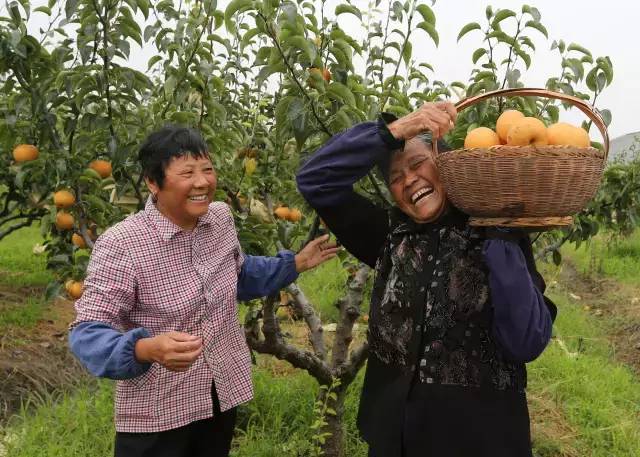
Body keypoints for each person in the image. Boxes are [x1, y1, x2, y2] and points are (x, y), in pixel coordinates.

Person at [296, 103, 557, 457]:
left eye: (417, 164)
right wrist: (395, 130)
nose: (408, 180)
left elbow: (526, 342)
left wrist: (500, 237)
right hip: (395, 439)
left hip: (480, 441)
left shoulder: (493, 233)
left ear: (446, 164)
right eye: (395, 178)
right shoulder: (389, 235)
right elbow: (315, 179)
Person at [69, 125, 338, 457]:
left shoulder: (220, 219)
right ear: (153, 183)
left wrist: (293, 263)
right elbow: (87, 332)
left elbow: (238, 275)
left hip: (219, 394)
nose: (202, 182)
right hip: (159, 411)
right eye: (187, 173)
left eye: (207, 169)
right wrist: (145, 348)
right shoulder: (123, 243)